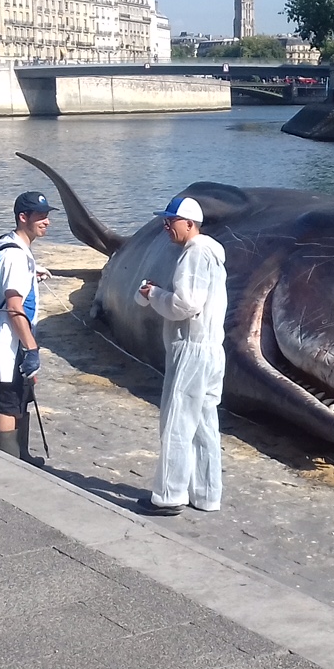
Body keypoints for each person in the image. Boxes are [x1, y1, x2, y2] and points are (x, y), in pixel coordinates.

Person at [134, 195, 228, 515]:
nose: (165, 226)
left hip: (192, 349)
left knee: (177, 422)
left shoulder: (194, 254)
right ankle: (206, 493)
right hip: (213, 348)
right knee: (204, 424)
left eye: (170, 221)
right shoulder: (212, 254)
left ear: (189, 223)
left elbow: (186, 305)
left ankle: (170, 495)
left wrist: (154, 293)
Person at [0, 191, 55, 466]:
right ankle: (7, 463)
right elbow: (14, 306)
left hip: (18, 336)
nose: (46, 222)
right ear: (23, 217)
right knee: (9, 398)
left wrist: (33, 273)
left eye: (47, 216)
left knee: (22, 395)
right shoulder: (14, 255)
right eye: (40, 217)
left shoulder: (15, 246)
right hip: (12, 338)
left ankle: (20, 456)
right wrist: (31, 347)